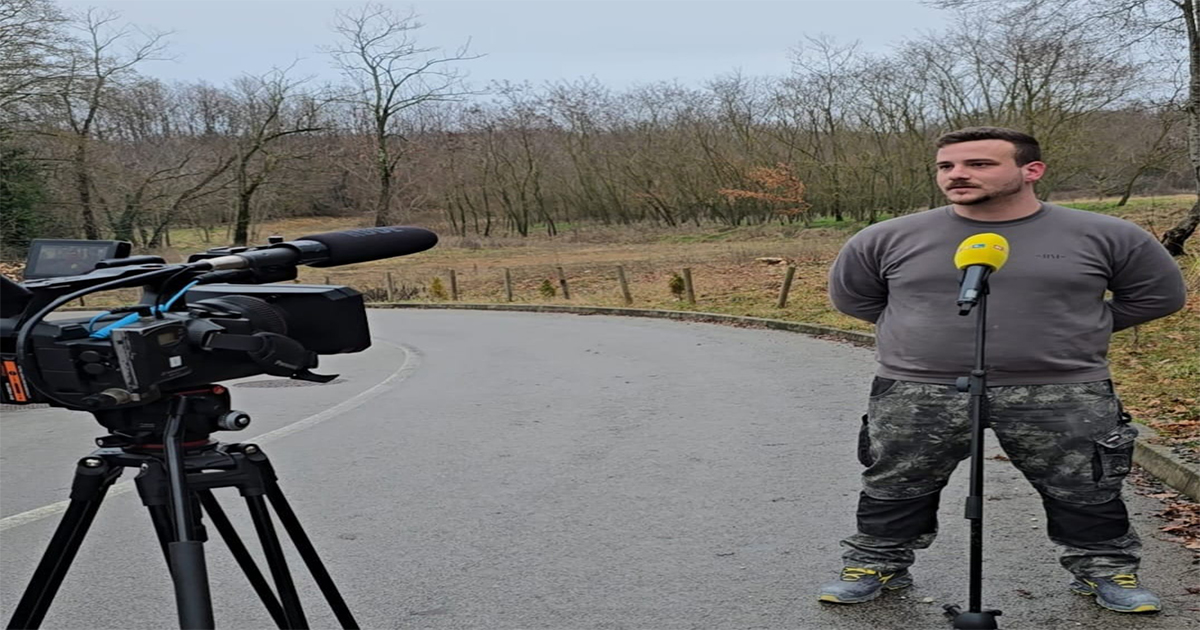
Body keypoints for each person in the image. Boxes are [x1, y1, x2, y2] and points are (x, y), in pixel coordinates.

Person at [818, 126, 1187, 613]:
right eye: (946, 166)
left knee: (1086, 485)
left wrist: (1080, 327)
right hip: (917, 389)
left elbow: (1158, 296)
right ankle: (875, 564)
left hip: (1061, 389)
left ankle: (1105, 569)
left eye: (979, 164)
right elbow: (856, 299)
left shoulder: (1106, 235)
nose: (957, 174)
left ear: (1031, 170)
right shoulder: (886, 237)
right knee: (895, 483)